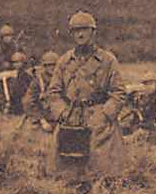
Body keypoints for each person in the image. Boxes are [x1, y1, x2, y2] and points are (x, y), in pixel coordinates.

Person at [44, 11, 127, 180]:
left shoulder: (107, 60)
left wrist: (105, 114)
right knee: (62, 168)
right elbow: (53, 92)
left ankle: (102, 186)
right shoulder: (64, 61)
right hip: (71, 116)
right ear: (71, 34)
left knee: (104, 169)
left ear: (93, 32)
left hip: (99, 117)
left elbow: (118, 92)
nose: (80, 34)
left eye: (85, 29)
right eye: (76, 30)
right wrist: (61, 113)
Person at [22, 51, 59, 130]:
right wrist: (42, 121)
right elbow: (28, 101)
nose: (52, 68)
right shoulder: (38, 81)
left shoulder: (63, 78)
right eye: (49, 65)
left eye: (54, 64)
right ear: (44, 66)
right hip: (44, 115)